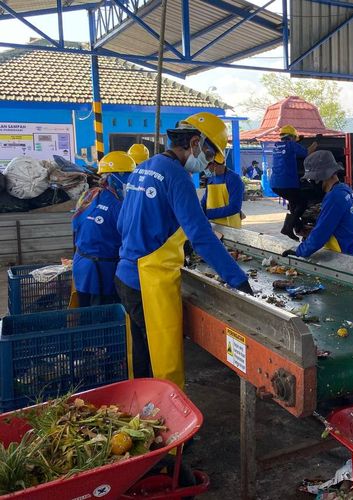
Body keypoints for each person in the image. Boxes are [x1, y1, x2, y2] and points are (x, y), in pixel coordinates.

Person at [115, 111, 254, 388]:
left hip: (125, 276)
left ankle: (141, 415)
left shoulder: (144, 167)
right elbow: (201, 236)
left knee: (142, 355)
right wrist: (237, 279)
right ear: (194, 143)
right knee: (165, 361)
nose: (208, 161)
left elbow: (122, 223)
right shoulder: (177, 176)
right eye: (209, 152)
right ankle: (171, 426)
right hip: (150, 282)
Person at [71, 151, 134, 307]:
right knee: (103, 320)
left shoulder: (88, 195)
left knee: (85, 316)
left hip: (80, 266)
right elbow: (131, 241)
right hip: (101, 273)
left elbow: (75, 226)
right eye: (129, 175)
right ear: (117, 176)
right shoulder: (119, 206)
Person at [281, 150, 353, 259]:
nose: (311, 182)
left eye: (312, 179)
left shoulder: (334, 197)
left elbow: (320, 235)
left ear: (321, 177)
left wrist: (299, 251)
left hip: (341, 259)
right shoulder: (347, 190)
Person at [270, 125, 316, 241]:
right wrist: (315, 144)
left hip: (275, 184)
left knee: (293, 203)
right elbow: (307, 152)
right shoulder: (291, 145)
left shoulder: (276, 146)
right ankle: (288, 227)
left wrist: (297, 141)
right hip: (287, 183)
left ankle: (297, 226)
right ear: (292, 137)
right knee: (302, 202)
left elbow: (288, 150)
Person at [200, 160, 244, 229]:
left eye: (206, 167)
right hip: (213, 224)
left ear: (214, 165)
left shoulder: (233, 178)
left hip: (231, 226)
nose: (205, 170)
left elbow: (235, 207)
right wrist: (199, 211)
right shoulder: (211, 178)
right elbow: (205, 200)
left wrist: (208, 214)